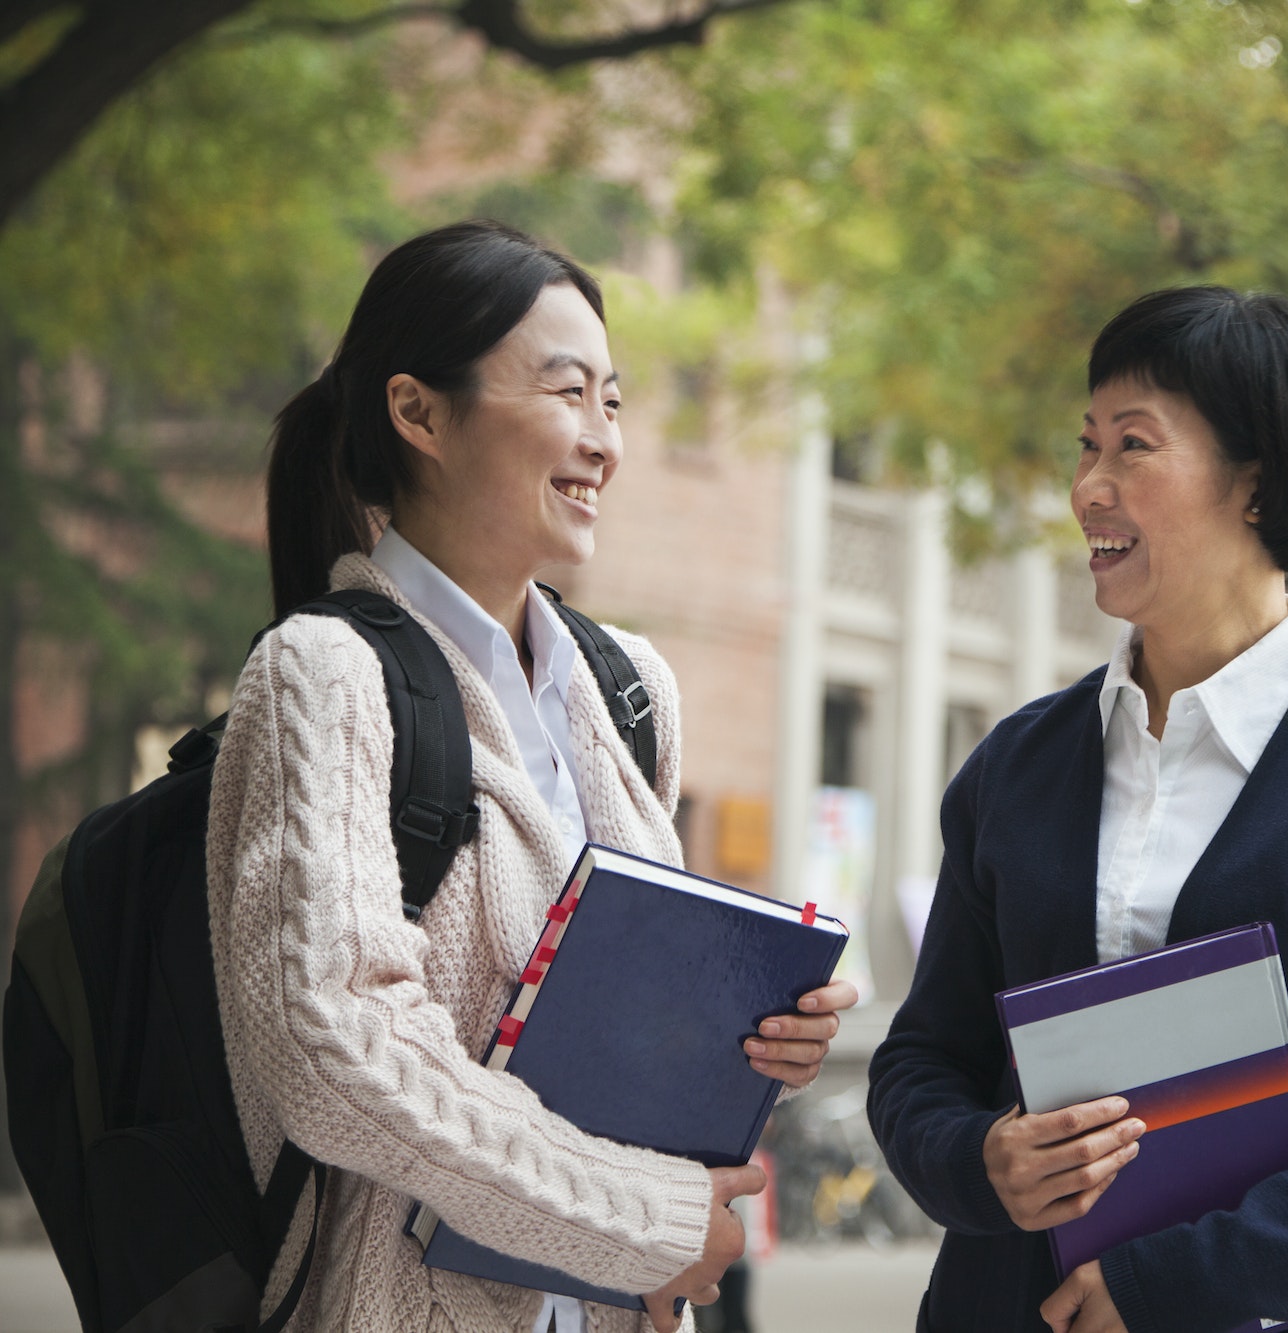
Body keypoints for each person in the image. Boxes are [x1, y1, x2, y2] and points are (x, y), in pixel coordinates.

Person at [206, 220, 858, 1332]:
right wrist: (641, 1217)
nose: (603, 440)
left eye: (613, 401)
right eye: (566, 393)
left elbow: (624, 1022)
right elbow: (337, 1048)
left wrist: (750, 1036)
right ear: (418, 413)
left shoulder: (629, 689)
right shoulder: (325, 673)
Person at [867, 285, 1288, 1333]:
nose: (1088, 487)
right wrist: (978, 1157)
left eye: (1132, 446)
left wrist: (1179, 1280)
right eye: (1086, 446)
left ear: (1252, 481)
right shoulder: (1015, 767)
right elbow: (921, 1059)